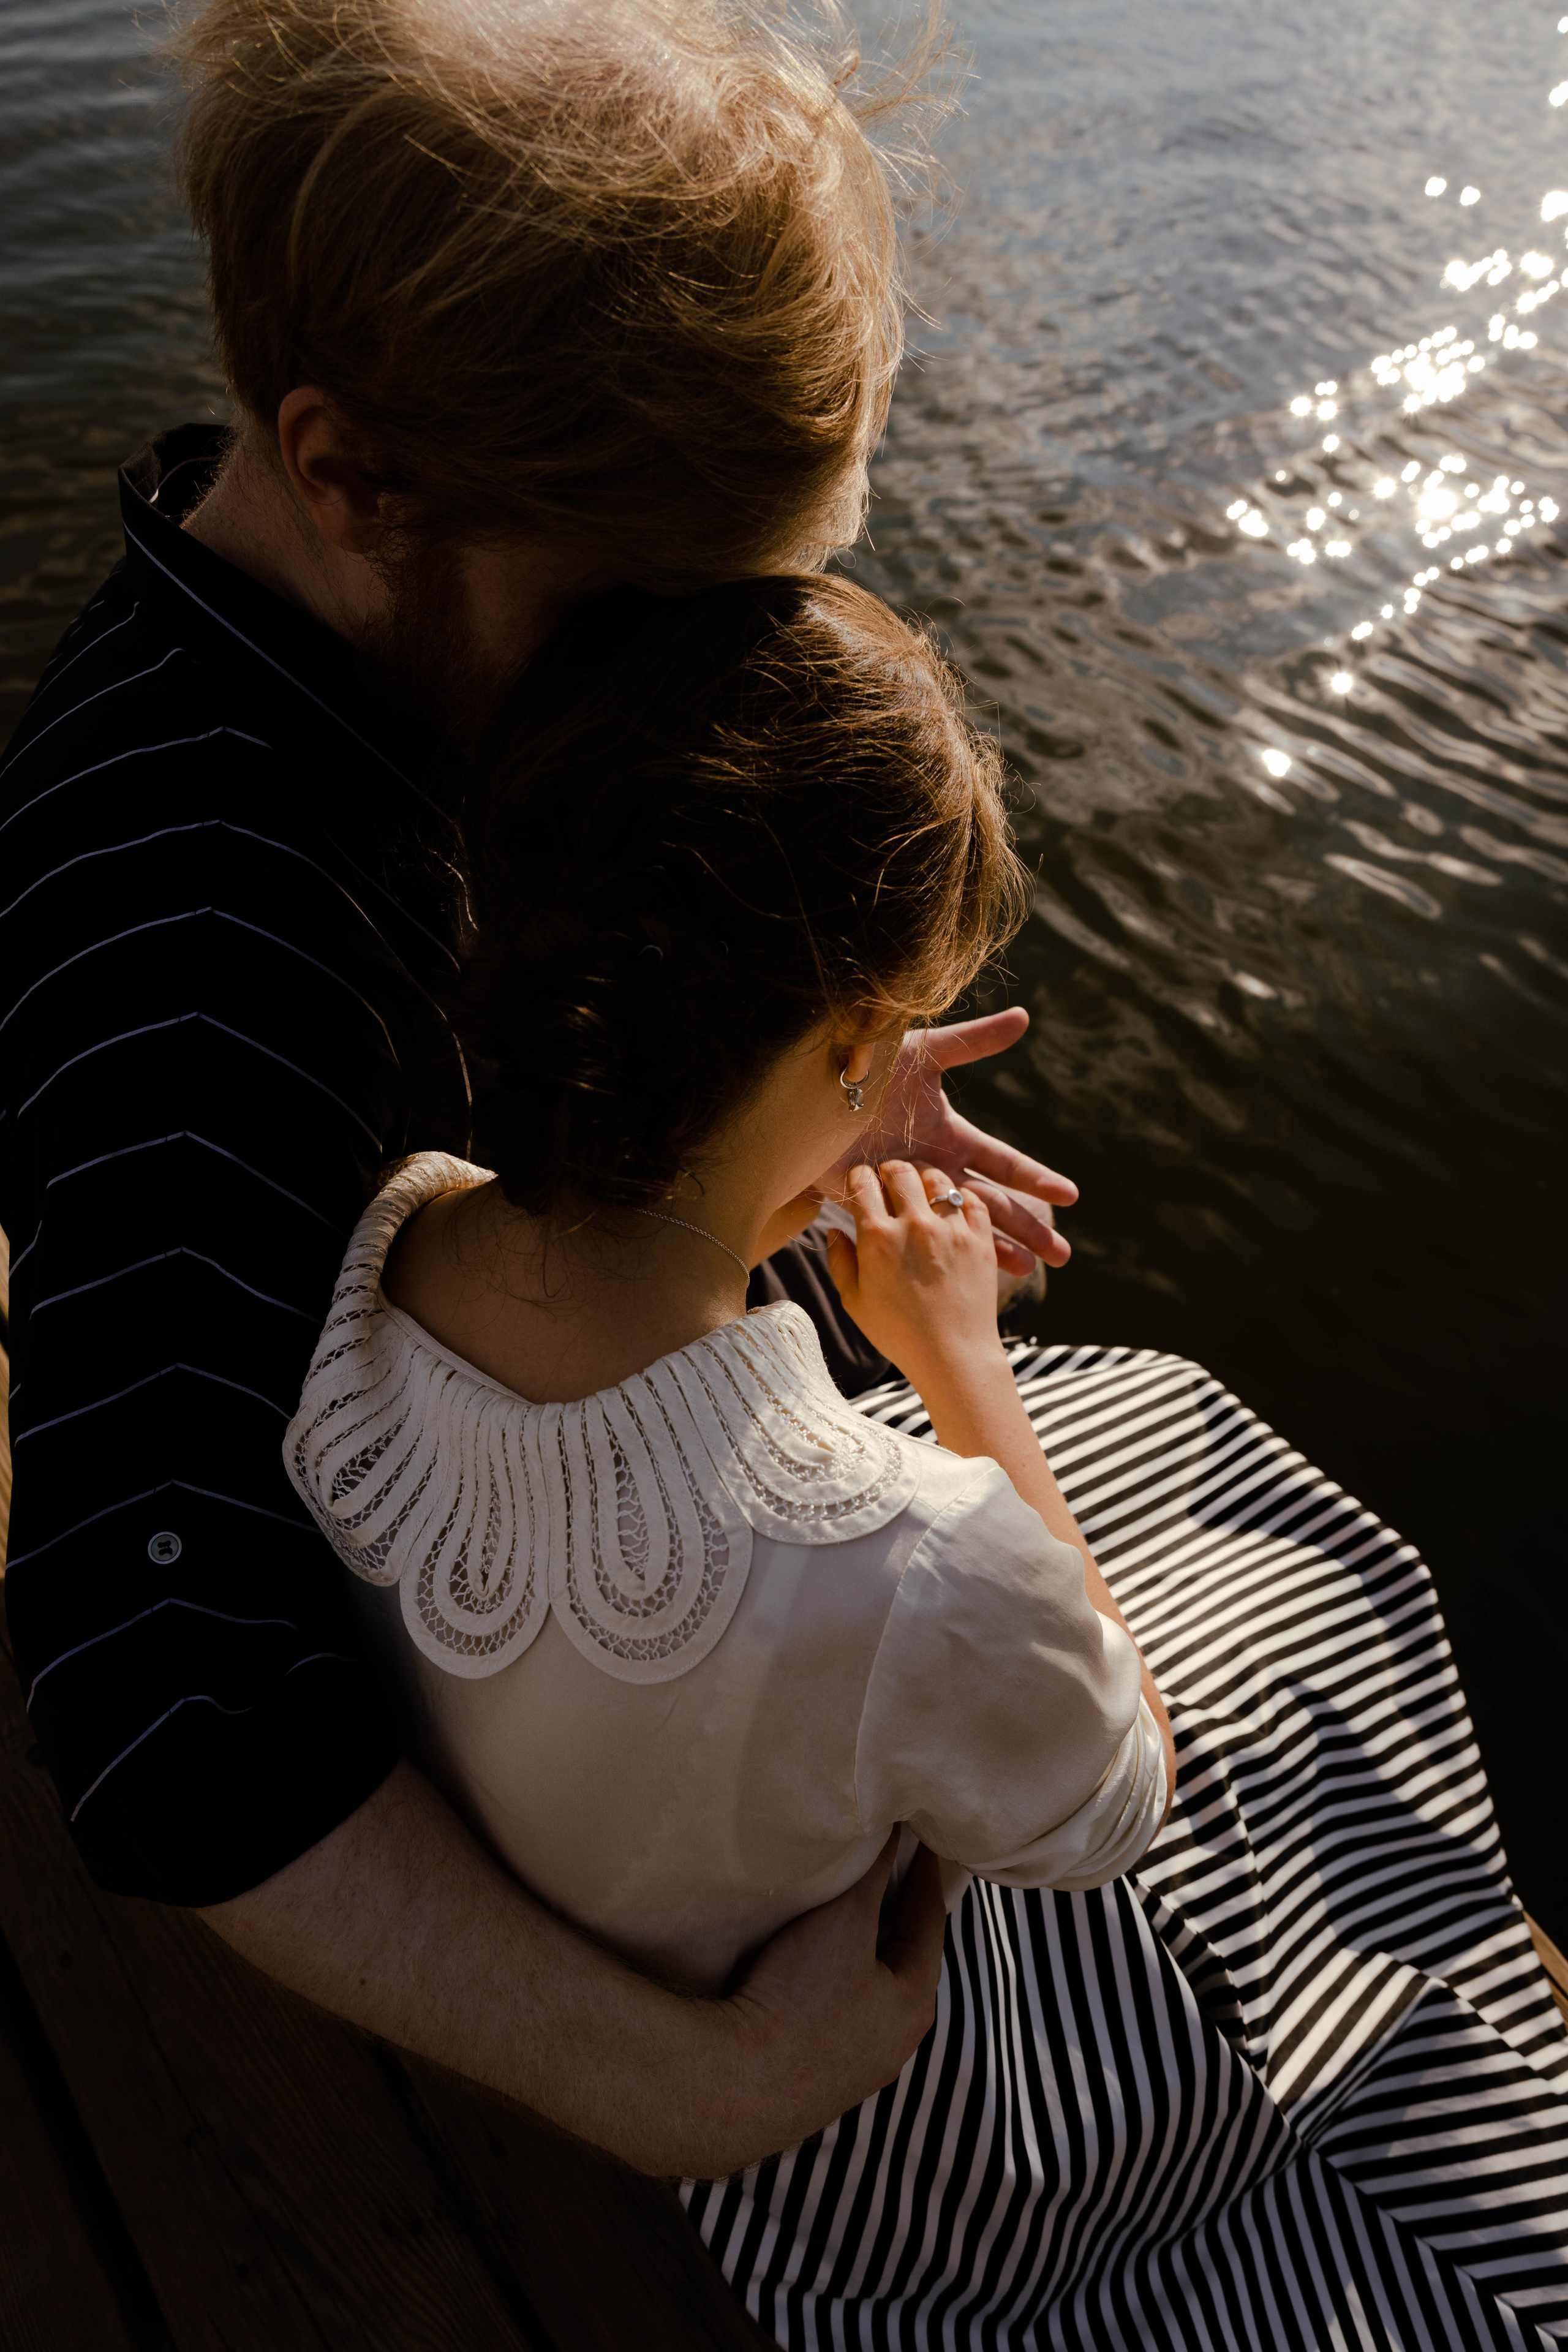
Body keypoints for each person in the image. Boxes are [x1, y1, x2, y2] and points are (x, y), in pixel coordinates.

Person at [0, 0, 1073, 2176]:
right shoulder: (197, 969)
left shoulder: (352, 655)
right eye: (654, 620)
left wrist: (776, 1101)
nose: (699, 692)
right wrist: (680, 2085)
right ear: (348, 468)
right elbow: (161, 1698)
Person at [286, 574, 1568, 2350]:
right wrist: (961, 1364)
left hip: (609, 1929)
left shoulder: (385, 1232)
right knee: (1273, 1573)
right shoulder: (915, 1564)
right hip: (882, 2134)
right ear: (837, 1044)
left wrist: (769, 1168)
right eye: (884, 1039)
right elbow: (1123, 1788)